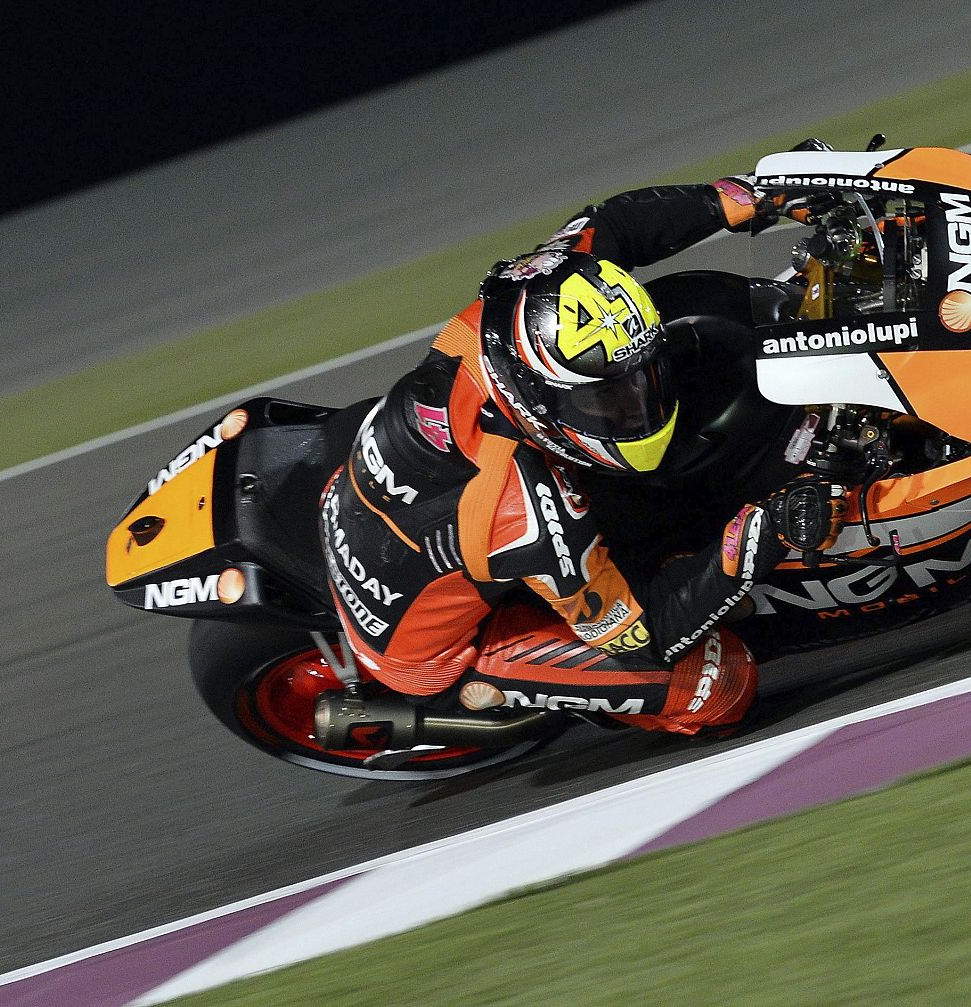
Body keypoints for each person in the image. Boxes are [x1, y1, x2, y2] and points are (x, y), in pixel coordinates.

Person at [318, 173, 840, 737]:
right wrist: (765, 533)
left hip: (399, 496)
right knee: (719, 684)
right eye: (608, 401)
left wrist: (742, 198)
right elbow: (646, 637)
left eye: (642, 381)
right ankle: (491, 688)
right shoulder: (521, 517)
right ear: (537, 396)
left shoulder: (511, 313)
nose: (639, 405)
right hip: (426, 643)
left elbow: (611, 226)